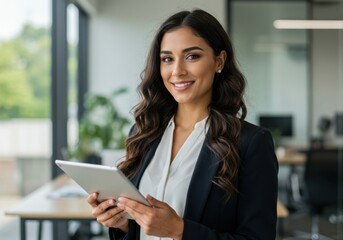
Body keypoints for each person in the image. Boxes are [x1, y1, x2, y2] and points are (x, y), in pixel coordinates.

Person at [87, 8, 278, 240]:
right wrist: (122, 224)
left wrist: (180, 231)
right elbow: (140, 230)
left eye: (192, 56)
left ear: (219, 60)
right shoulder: (144, 133)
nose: (177, 71)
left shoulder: (250, 143)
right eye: (167, 59)